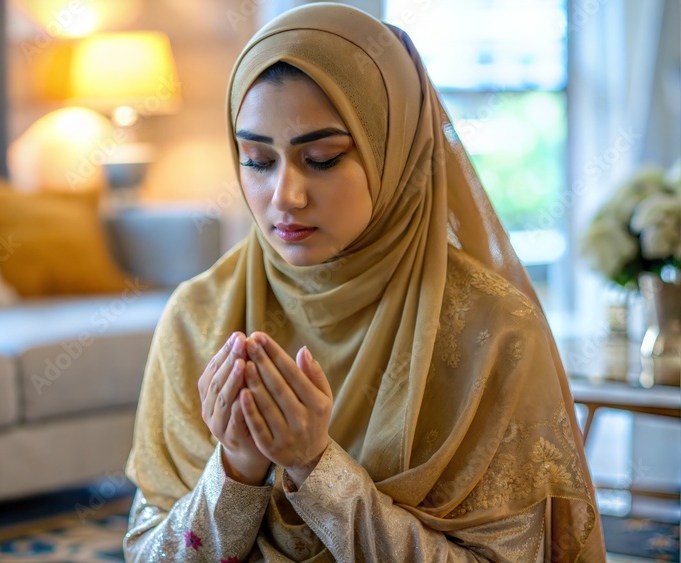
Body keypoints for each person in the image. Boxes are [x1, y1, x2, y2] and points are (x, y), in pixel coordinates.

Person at [124, 3, 605, 562]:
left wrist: (316, 468)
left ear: (394, 151)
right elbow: (147, 553)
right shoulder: (198, 316)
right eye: (257, 160)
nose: (285, 197)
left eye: (322, 159)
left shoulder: (494, 331)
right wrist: (235, 469)